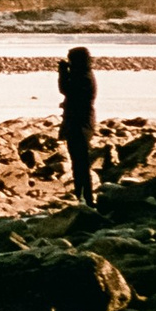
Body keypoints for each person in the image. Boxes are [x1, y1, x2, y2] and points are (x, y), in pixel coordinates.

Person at [57, 45, 97, 206]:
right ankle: (82, 196)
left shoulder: (84, 77)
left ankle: (86, 198)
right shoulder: (84, 74)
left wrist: (63, 73)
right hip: (80, 123)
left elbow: (66, 89)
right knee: (79, 163)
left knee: (80, 163)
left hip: (80, 124)